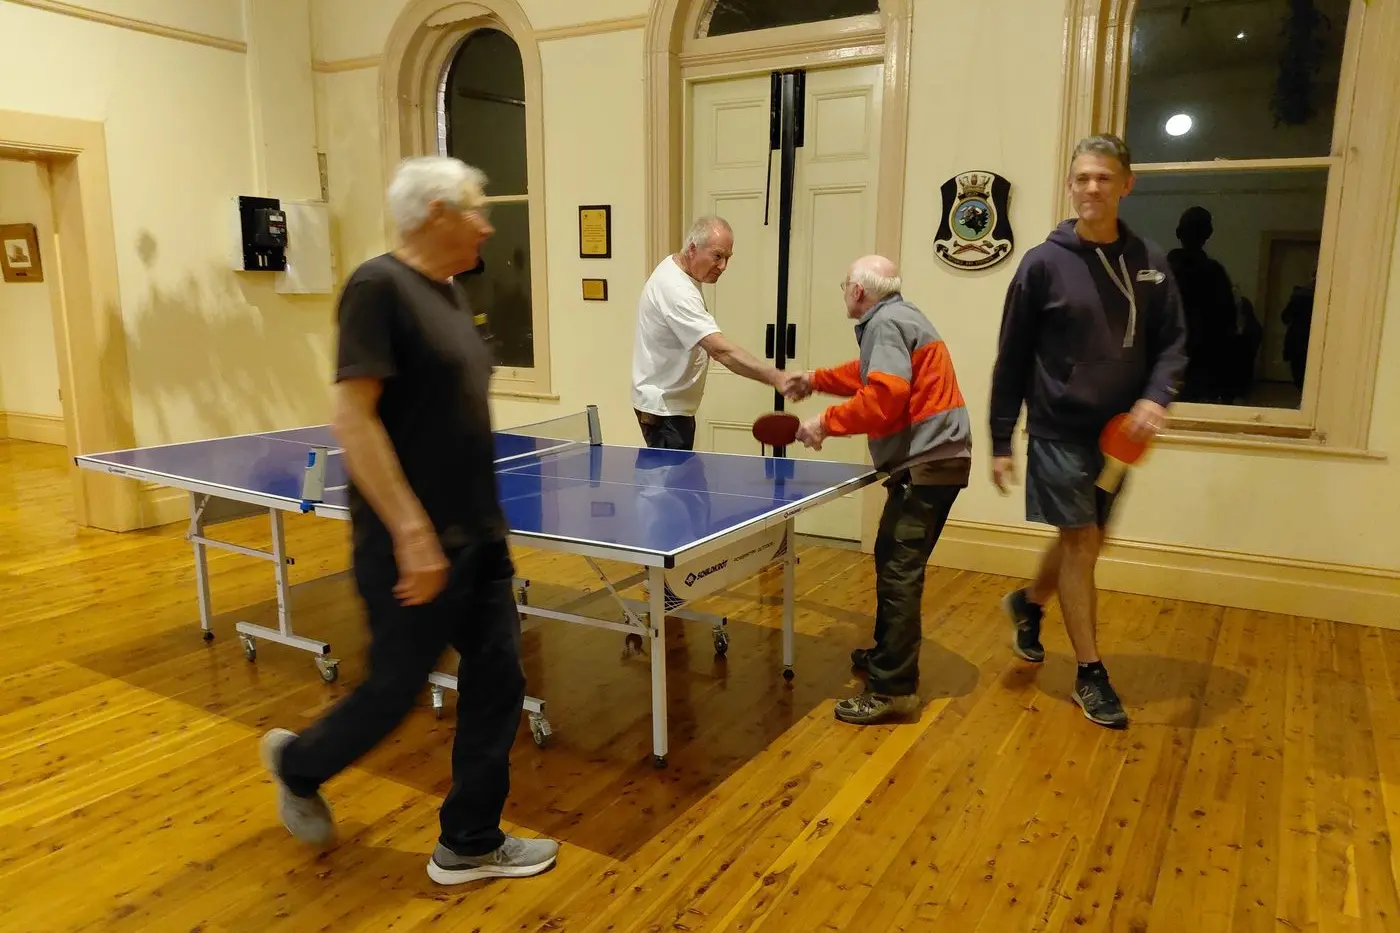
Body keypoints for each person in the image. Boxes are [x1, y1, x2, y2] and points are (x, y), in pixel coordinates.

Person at [259, 155, 559, 885]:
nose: (489, 224)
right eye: (477, 209)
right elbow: (353, 419)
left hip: (479, 537)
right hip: (412, 544)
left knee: (498, 681)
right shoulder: (376, 287)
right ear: (436, 214)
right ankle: (298, 763)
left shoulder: (451, 294)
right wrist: (413, 533)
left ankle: (470, 838)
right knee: (394, 690)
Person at [987, 133, 1187, 730]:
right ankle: (1090, 672)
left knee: (1090, 539)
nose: (1091, 188)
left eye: (1103, 177)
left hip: (1118, 434)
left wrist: (1156, 397)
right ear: (1070, 186)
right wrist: (1001, 439)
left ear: (1127, 184)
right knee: (1081, 543)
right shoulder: (1042, 264)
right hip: (1057, 427)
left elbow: (1174, 343)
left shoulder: (1152, 261)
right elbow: (1012, 356)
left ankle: (1029, 603)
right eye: (1082, 178)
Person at [788, 255, 972, 726]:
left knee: (899, 572)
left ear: (858, 291)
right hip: (940, 459)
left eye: (845, 283)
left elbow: (884, 399)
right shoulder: (899, 317)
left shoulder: (886, 324)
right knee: (894, 559)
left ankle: (894, 688)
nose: (844, 291)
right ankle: (887, 657)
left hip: (929, 463)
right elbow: (867, 374)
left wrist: (824, 423)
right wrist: (816, 380)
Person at [631, 216, 802, 449]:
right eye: (717, 256)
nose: (723, 266)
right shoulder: (676, 289)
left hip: (672, 407)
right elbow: (721, 351)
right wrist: (775, 377)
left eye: (727, 258)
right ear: (692, 249)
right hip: (664, 412)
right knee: (672, 485)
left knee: (683, 482)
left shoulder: (680, 271)